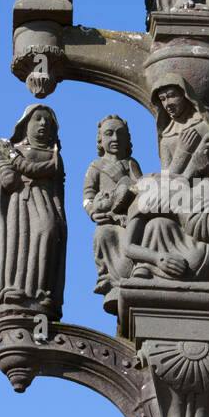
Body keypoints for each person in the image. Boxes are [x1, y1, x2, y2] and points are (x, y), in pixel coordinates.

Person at [0, 105, 67, 320]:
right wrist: (4, 165)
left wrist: (10, 156)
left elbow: (36, 170)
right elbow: (8, 181)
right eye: (37, 119)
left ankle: (40, 291)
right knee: (17, 243)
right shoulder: (15, 150)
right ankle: (15, 288)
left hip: (43, 200)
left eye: (47, 122)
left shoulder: (54, 156)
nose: (42, 124)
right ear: (25, 125)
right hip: (19, 202)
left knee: (47, 232)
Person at [82, 115, 141, 297]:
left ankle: (132, 273)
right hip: (107, 219)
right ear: (101, 139)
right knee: (101, 235)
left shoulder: (130, 164)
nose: (115, 138)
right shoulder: (97, 166)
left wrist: (122, 178)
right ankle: (106, 276)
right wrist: (92, 212)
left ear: (127, 139)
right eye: (109, 134)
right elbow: (88, 195)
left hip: (129, 219)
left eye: (120, 134)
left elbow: (141, 189)